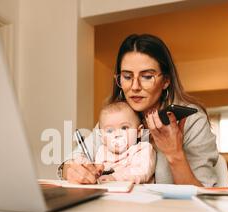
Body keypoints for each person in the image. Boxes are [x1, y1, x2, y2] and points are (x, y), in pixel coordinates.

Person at [59, 34, 219, 187]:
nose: (135, 87)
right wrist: (73, 170)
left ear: (166, 81)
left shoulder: (191, 120)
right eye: (127, 77)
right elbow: (70, 162)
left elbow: (204, 196)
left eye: (147, 76)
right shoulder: (117, 115)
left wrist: (175, 154)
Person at [90, 101, 156, 184]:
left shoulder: (142, 149)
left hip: (137, 194)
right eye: (110, 130)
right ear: (102, 138)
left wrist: (114, 177)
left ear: (139, 132)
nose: (117, 134)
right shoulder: (102, 152)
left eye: (124, 128)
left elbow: (142, 171)